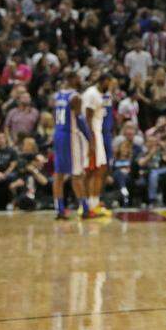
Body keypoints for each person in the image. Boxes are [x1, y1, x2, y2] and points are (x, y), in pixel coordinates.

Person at [53, 71, 91, 219]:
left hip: (58, 134)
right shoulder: (75, 97)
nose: (80, 80)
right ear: (72, 79)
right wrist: (90, 139)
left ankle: (60, 209)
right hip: (70, 136)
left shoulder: (57, 96)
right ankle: (85, 208)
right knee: (77, 174)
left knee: (59, 174)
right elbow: (80, 120)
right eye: (78, 78)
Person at [82, 74, 113, 219]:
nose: (110, 85)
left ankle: (93, 203)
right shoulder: (91, 94)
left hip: (99, 132)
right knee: (92, 170)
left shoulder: (103, 94)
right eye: (109, 82)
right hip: (92, 133)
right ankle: (87, 206)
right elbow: (87, 117)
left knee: (100, 169)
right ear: (102, 81)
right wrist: (91, 140)